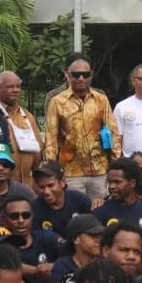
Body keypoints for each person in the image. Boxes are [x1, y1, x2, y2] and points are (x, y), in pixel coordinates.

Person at [42, 57, 116, 204]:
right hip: (70, 171)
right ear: (68, 75)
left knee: (100, 212)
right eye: (76, 75)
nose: (81, 78)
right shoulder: (57, 101)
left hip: (100, 170)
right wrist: (52, 170)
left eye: (85, 74)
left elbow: (112, 132)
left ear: (91, 75)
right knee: (75, 213)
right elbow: (51, 138)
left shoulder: (101, 99)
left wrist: (115, 165)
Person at [93, 158, 142, 264]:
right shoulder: (99, 212)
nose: (112, 187)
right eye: (110, 182)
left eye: (117, 182)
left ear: (132, 182)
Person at [0, 72, 40, 187]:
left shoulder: (27, 116)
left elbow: (38, 148)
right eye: (10, 86)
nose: (16, 90)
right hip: (1, 185)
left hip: (28, 185)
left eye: (18, 86)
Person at [1, 195, 62, 282]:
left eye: (26, 215)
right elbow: (6, 266)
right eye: (14, 216)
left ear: (32, 216)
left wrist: (54, 266)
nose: (21, 220)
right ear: (4, 219)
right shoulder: (0, 244)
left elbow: (73, 258)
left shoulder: (48, 238)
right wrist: (37, 270)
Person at [30, 162, 91, 241]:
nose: (46, 192)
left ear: (62, 182)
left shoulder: (80, 200)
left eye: (50, 185)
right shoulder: (35, 207)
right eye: (41, 187)